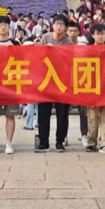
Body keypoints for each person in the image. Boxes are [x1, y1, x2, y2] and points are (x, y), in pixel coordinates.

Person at [37, 14, 72, 152]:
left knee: (62, 114)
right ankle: (43, 141)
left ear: (66, 27)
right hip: (46, 82)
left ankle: (60, 141)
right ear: (52, 25)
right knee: (43, 114)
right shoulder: (46, 38)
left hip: (61, 83)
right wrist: (45, 50)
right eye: (56, 23)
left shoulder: (68, 42)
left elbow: (70, 62)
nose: (58, 26)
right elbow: (37, 57)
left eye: (62, 24)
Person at [0, 16, 21, 155]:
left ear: (9, 27)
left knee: (10, 115)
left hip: (11, 84)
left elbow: (23, 61)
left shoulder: (15, 43)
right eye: (0, 24)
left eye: (6, 24)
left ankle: (9, 143)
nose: (3, 27)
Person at [84, 23, 105, 155]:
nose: (100, 36)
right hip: (92, 88)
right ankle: (92, 142)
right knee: (92, 118)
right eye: (97, 34)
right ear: (93, 35)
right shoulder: (87, 50)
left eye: (102, 34)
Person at [65, 21, 90, 146]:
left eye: (75, 31)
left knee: (83, 112)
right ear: (66, 32)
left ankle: (84, 135)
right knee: (64, 112)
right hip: (65, 83)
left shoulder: (84, 47)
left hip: (81, 82)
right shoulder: (62, 46)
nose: (72, 33)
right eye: (70, 31)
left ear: (79, 32)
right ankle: (64, 136)